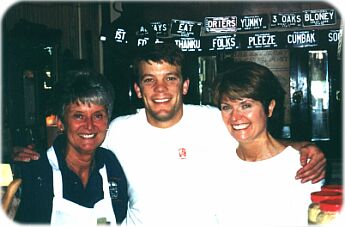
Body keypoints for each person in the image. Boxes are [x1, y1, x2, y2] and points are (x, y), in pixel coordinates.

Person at [13, 43, 326, 225]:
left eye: (170, 78)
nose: (160, 89)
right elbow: (80, 137)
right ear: (137, 89)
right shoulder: (119, 129)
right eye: (149, 80)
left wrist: (301, 147)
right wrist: (30, 153)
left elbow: (253, 132)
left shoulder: (213, 120)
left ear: (185, 85)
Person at [212, 61, 322, 226]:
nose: (235, 117)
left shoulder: (302, 166)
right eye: (227, 107)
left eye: (246, 106)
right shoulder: (215, 164)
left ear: (269, 108)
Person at [13, 71, 128, 225]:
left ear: (107, 120)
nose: (89, 126)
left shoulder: (112, 165)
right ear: (60, 122)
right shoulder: (36, 172)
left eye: (98, 115)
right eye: (79, 116)